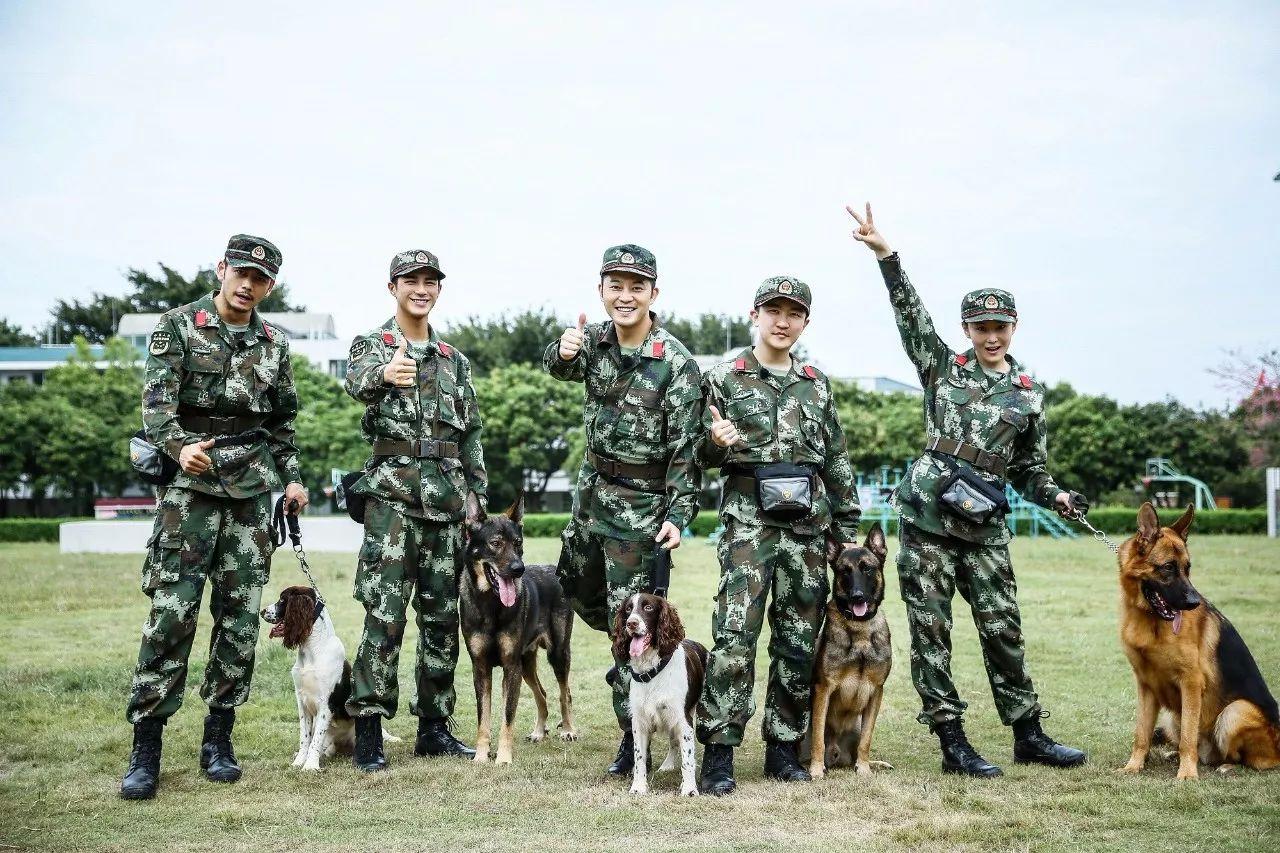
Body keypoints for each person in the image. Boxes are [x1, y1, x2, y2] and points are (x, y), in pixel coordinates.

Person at [846, 202, 1089, 776]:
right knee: (933, 634)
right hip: (929, 520)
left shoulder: (1028, 393)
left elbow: (1031, 468)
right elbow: (909, 315)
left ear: (1013, 328)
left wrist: (1054, 495)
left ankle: (1028, 732)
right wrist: (887, 256)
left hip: (984, 528)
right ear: (967, 330)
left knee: (1004, 629)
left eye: (999, 327)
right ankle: (952, 740)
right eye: (980, 327)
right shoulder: (942, 367)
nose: (990, 336)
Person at [120, 235, 308, 800]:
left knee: (239, 621)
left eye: (262, 279)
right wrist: (180, 447)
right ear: (222, 269)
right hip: (190, 497)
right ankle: (146, 748)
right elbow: (156, 410)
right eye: (242, 272)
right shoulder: (177, 326)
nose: (249, 285)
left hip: (251, 499)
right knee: (171, 618)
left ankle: (218, 740)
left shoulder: (274, 343)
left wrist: (293, 476)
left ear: (270, 285)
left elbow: (282, 424)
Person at [694, 276, 861, 795]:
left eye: (793, 313)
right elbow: (698, 456)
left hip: (807, 529)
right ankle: (719, 753)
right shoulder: (724, 377)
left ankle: (783, 749)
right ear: (754, 315)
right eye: (773, 311)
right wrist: (715, 443)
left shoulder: (816, 382)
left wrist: (848, 528)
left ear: (805, 322)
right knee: (735, 637)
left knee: (797, 642)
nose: (782, 321)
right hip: (748, 524)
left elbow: (835, 457)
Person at [543, 244, 702, 776]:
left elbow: (686, 447)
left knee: (628, 624)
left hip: (640, 512)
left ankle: (631, 741)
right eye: (616, 285)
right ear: (602, 290)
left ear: (654, 293)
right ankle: (635, 718)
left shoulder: (675, 361)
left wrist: (679, 513)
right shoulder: (593, 340)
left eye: (637, 286)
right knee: (573, 588)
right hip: (590, 502)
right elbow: (558, 366)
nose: (626, 295)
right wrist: (563, 353)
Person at [342, 249, 486, 771]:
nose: (421, 289)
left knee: (443, 618)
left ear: (439, 290)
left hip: (448, 507)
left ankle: (435, 727)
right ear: (392, 287)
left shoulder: (454, 360)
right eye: (411, 281)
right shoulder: (372, 346)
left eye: (430, 282)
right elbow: (354, 382)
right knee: (383, 616)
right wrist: (385, 372)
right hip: (393, 506)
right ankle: (370, 733)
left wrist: (478, 504)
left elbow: (470, 436)